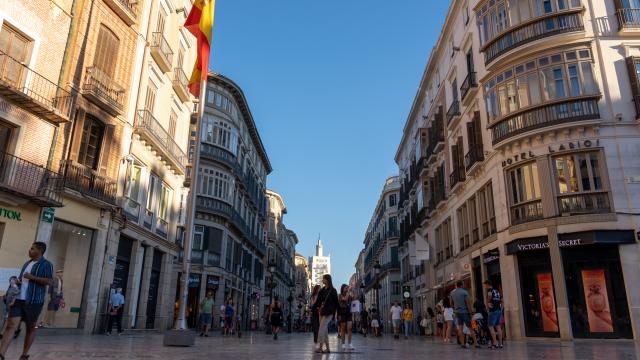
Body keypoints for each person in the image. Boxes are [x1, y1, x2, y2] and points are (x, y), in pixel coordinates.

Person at [0, 242, 54, 360]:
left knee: (30, 328)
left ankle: (24, 354)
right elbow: (22, 280)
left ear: (39, 251)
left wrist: (33, 277)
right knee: (10, 326)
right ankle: (1, 354)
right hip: (19, 300)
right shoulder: (27, 263)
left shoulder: (47, 264)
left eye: (32, 249)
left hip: (34, 301)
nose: (29, 250)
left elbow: (50, 281)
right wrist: (14, 288)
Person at [313, 274, 338, 354]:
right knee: (325, 330)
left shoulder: (333, 290)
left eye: (324, 279)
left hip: (329, 312)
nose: (322, 280)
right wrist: (313, 308)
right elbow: (318, 302)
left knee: (322, 328)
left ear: (327, 280)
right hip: (322, 312)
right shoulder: (322, 290)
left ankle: (320, 347)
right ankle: (328, 349)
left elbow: (336, 303)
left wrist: (338, 314)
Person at [450, 281, 478, 349]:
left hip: (457, 312)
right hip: (465, 312)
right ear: (462, 285)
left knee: (460, 328)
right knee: (471, 327)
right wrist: (471, 312)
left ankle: (462, 343)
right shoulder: (464, 292)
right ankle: (476, 343)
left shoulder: (452, 293)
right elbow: (468, 303)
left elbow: (451, 304)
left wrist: (455, 308)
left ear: (456, 285)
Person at [485, 280, 504, 349]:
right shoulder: (497, 291)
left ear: (487, 284)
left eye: (485, 285)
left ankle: (495, 343)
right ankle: (501, 343)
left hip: (492, 310)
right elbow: (502, 300)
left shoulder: (490, 290)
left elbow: (489, 296)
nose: (485, 287)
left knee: (490, 326)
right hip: (498, 310)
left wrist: (488, 303)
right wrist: (501, 309)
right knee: (498, 326)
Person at [337, 284, 353, 351]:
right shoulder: (339, 296)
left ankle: (350, 344)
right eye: (346, 288)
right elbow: (345, 299)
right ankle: (343, 344)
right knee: (343, 329)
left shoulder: (349, 295)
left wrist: (353, 291)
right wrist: (349, 292)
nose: (347, 289)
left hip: (348, 312)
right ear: (342, 289)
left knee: (350, 328)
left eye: (347, 288)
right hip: (342, 312)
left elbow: (354, 298)